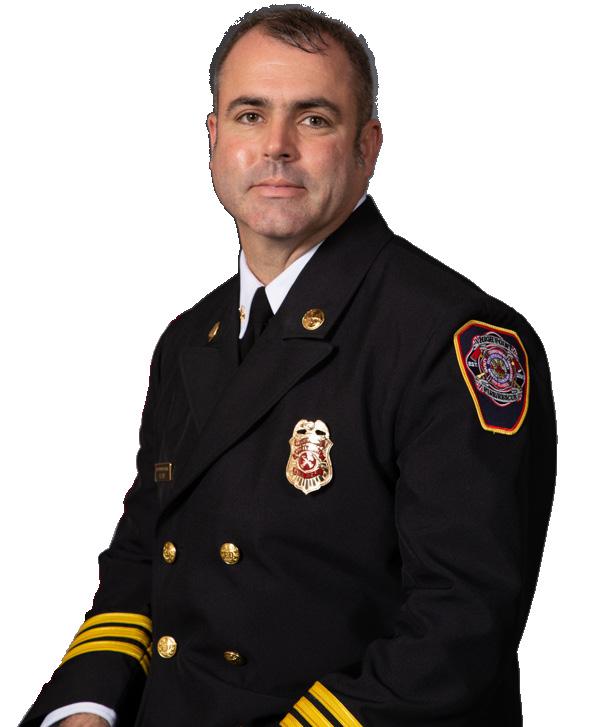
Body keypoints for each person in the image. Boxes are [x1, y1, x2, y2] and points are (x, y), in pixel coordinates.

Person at [20, 5, 556, 727]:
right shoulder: (189, 339)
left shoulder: (452, 337)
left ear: (366, 147)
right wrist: (85, 707)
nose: (276, 146)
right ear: (213, 139)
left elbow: (459, 630)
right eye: (250, 115)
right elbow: (145, 556)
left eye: (314, 119)